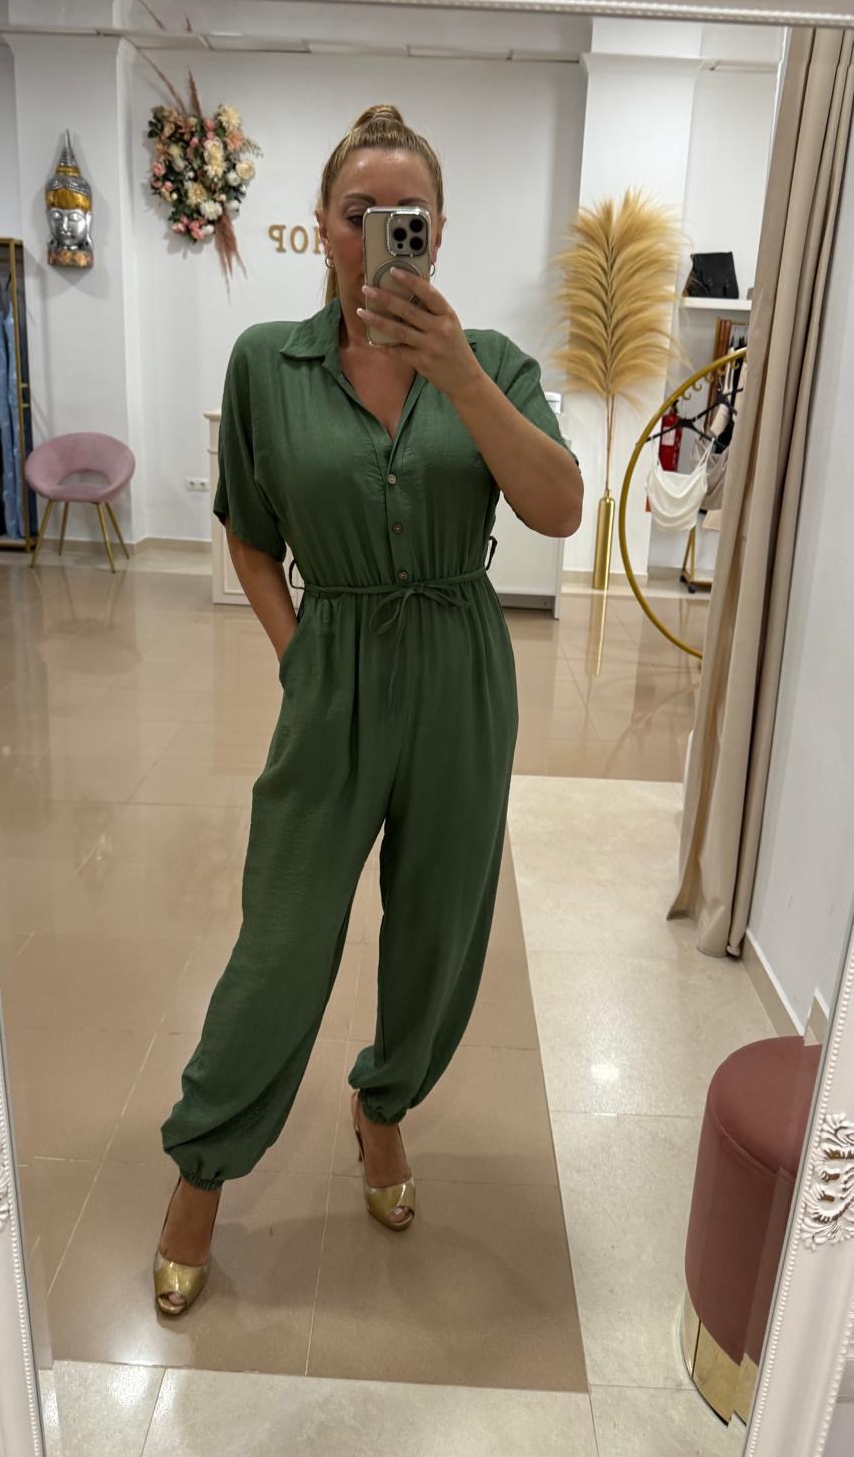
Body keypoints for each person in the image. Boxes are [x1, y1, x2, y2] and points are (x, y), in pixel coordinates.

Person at [153, 103, 583, 1315]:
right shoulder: (266, 365)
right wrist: (301, 657)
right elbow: (249, 538)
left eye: (409, 216)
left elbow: (558, 507)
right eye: (359, 213)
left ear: (438, 231)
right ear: (321, 227)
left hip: (459, 665)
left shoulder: (492, 361)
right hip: (334, 664)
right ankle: (202, 1166)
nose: (382, 232)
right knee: (285, 936)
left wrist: (458, 374)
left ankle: (381, 1105)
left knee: (440, 928)